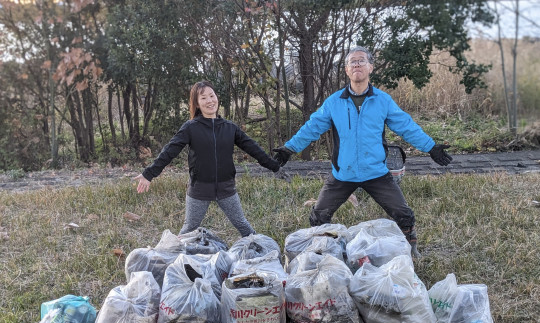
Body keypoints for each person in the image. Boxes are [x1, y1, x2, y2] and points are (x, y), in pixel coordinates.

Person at [273, 45, 452, 258]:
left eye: (361, 61)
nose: (357, 64)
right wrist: (289, 148)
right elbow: (312, 128)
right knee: (319, 215)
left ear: (370, 68)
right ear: (347, 71)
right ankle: (321, 251)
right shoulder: (334, 102)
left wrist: (430, 147)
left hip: (375, 172)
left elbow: (406, 126)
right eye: (352, 62)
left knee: (404, 214)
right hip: (343, 173)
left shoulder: (383, 101)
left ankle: (411, 248)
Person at [133, 80, 280, 237]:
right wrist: (149, 174)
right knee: (189, 230)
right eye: (203, 98)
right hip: (199, 189)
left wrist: (275, 166)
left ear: (217, 97)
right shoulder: (190, 127)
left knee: (243, 225)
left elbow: (253, 148)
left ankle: (260, 251)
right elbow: (169, 151)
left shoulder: (229, 128)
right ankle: (175, 258)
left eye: (212, 95)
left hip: (226, 188)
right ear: (196, 103)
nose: (209, 101)